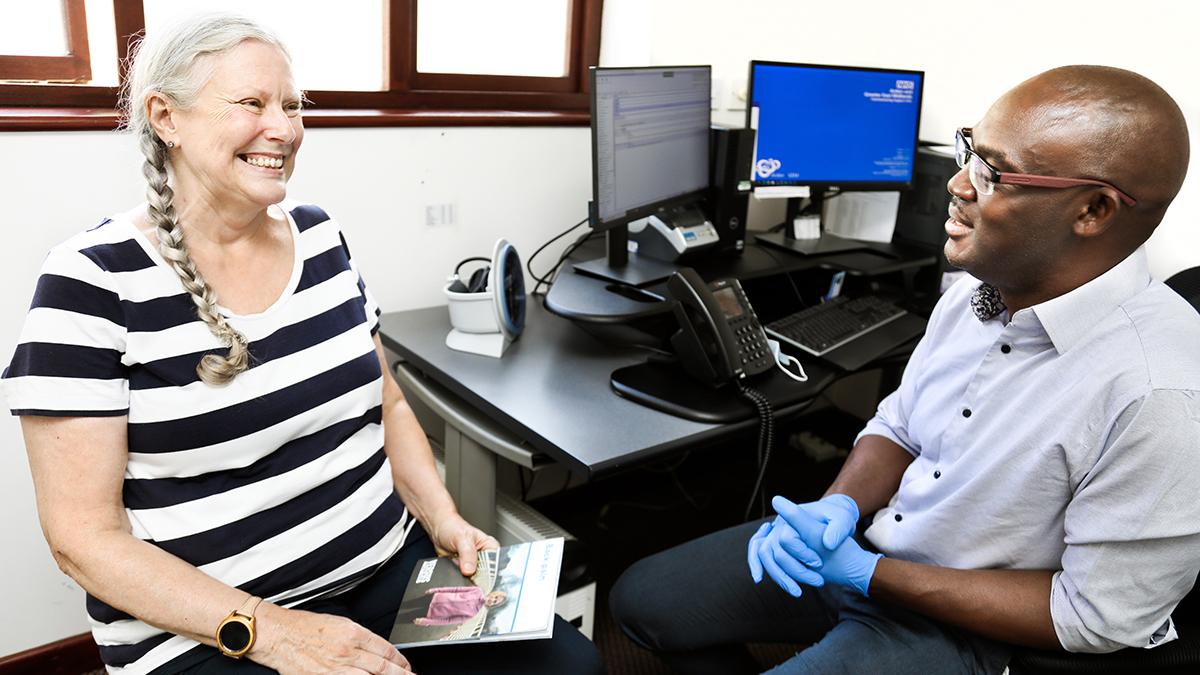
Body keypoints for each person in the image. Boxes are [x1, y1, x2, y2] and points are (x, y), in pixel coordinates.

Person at [1, 13, 603, 675]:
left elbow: (391, 404)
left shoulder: (321, 237)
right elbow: (82, 539)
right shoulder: (89, 281)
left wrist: (444, 518)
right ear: (165, 117)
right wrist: (277, 634)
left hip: (382, 573)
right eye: (251, 103)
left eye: (292, 105)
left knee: (572, 667)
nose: (284, 129)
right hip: (211, 627)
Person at [610, 65, 1200, 674]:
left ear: (1094, 210)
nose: (957, 184)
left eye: (992, 173)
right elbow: (901, 425)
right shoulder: (982, 291)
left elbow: (1093, 617)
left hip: (968, 625)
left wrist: (872, 575)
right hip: (875, 542)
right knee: (641, 601)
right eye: (971, 152)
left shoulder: (1163, 393)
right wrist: (835, 508)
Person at [395, 586, 507, 628]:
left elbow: (447, 621)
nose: (493, 600)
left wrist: (426, 621)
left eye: (495, 602)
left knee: (401, 618)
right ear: (494, 593)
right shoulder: (477, 590)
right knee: (405, 604)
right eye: (495, 597)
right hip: (433, 597)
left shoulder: (472, 613)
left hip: (429, 613)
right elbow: (455, 589)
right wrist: (435, 590)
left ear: (492, 606)